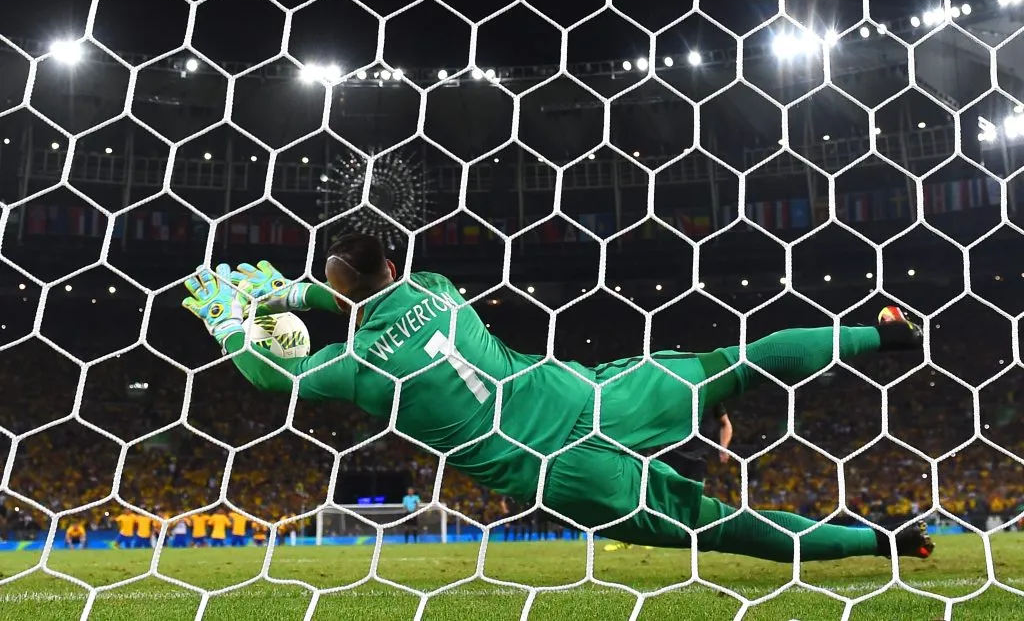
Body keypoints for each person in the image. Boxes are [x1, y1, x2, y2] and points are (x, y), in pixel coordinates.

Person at [182, 237, 934, 563]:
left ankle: (887, 546)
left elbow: (276, 378)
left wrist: (234, 324)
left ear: (342, 293)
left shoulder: (349, 367)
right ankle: (881, 335)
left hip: (558, 474)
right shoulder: (436, 289)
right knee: (734, 361)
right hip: (592, 396)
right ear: (394, 263)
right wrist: (295, 288)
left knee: (722, 529)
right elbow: (362, 293)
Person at [605, 404, 732, 552]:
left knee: (692, 503)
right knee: (648, 496)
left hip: (697, 458)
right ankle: (628, 538)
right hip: (671, 452)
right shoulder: (681, 390)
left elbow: (726, 424)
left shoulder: (714, 397)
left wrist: (724, 447)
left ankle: (688, 539)